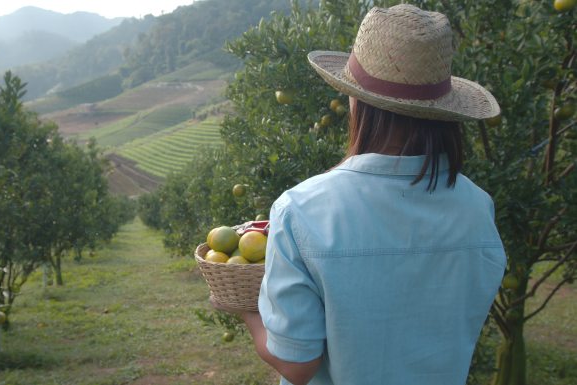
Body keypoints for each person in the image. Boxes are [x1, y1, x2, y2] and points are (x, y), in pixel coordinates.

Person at [211, 4, 507, 385]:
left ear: (357, 102)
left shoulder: (301, 210)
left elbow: (297, 364)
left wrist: (246, 311)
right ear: (444, 113)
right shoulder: (477, 206)